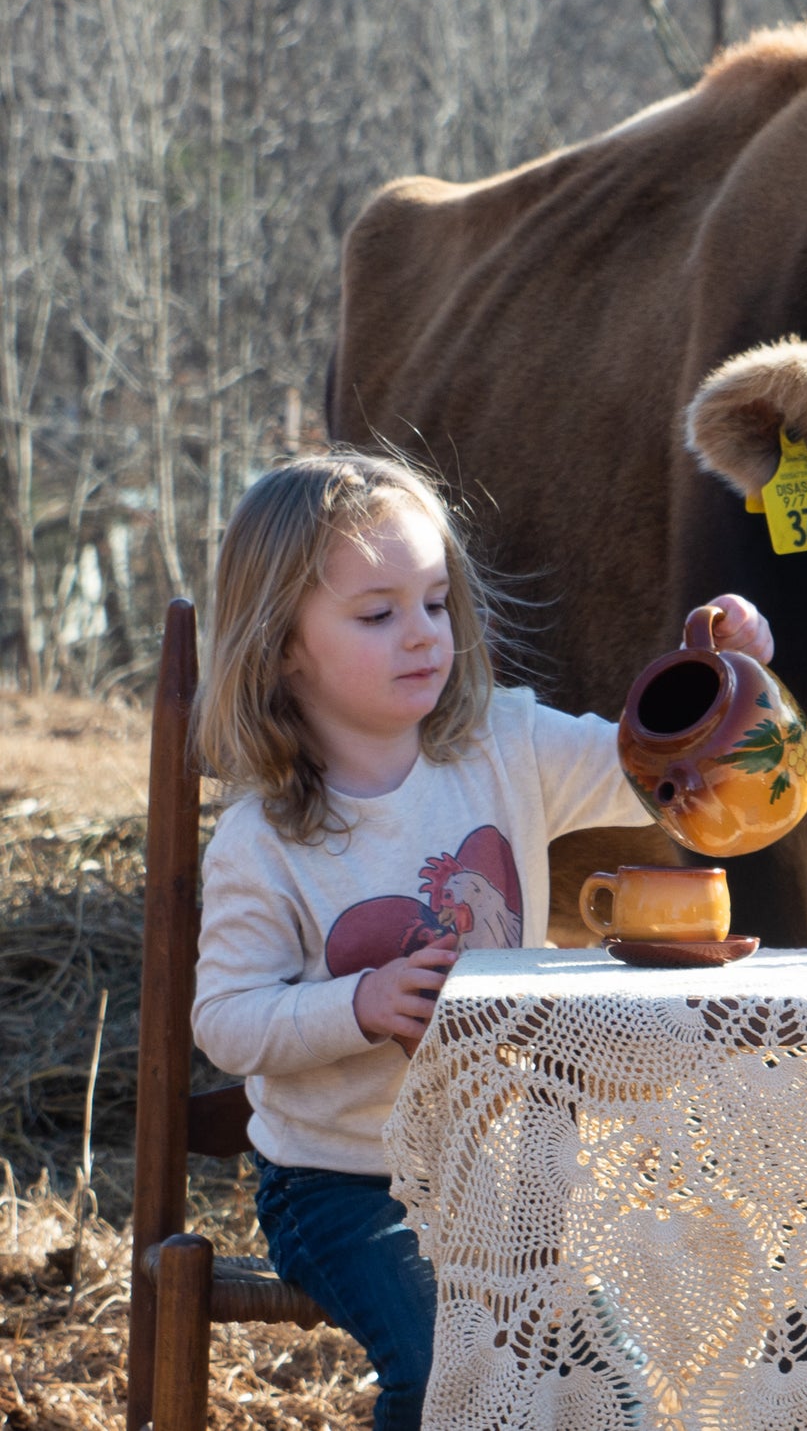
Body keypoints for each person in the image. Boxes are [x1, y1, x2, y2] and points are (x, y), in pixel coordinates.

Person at [190, 451, 774, 1431]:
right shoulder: (268, 839)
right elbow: (226, 1020)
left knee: (610, 1388)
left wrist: (720, 672)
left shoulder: (504, 745)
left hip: (508, 1178)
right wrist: (358, 1003)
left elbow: (658, 766)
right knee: (443, 1369)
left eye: (434, 602)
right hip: (341, 1184)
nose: (421, 634)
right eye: (377, 614)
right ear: (284, 645)